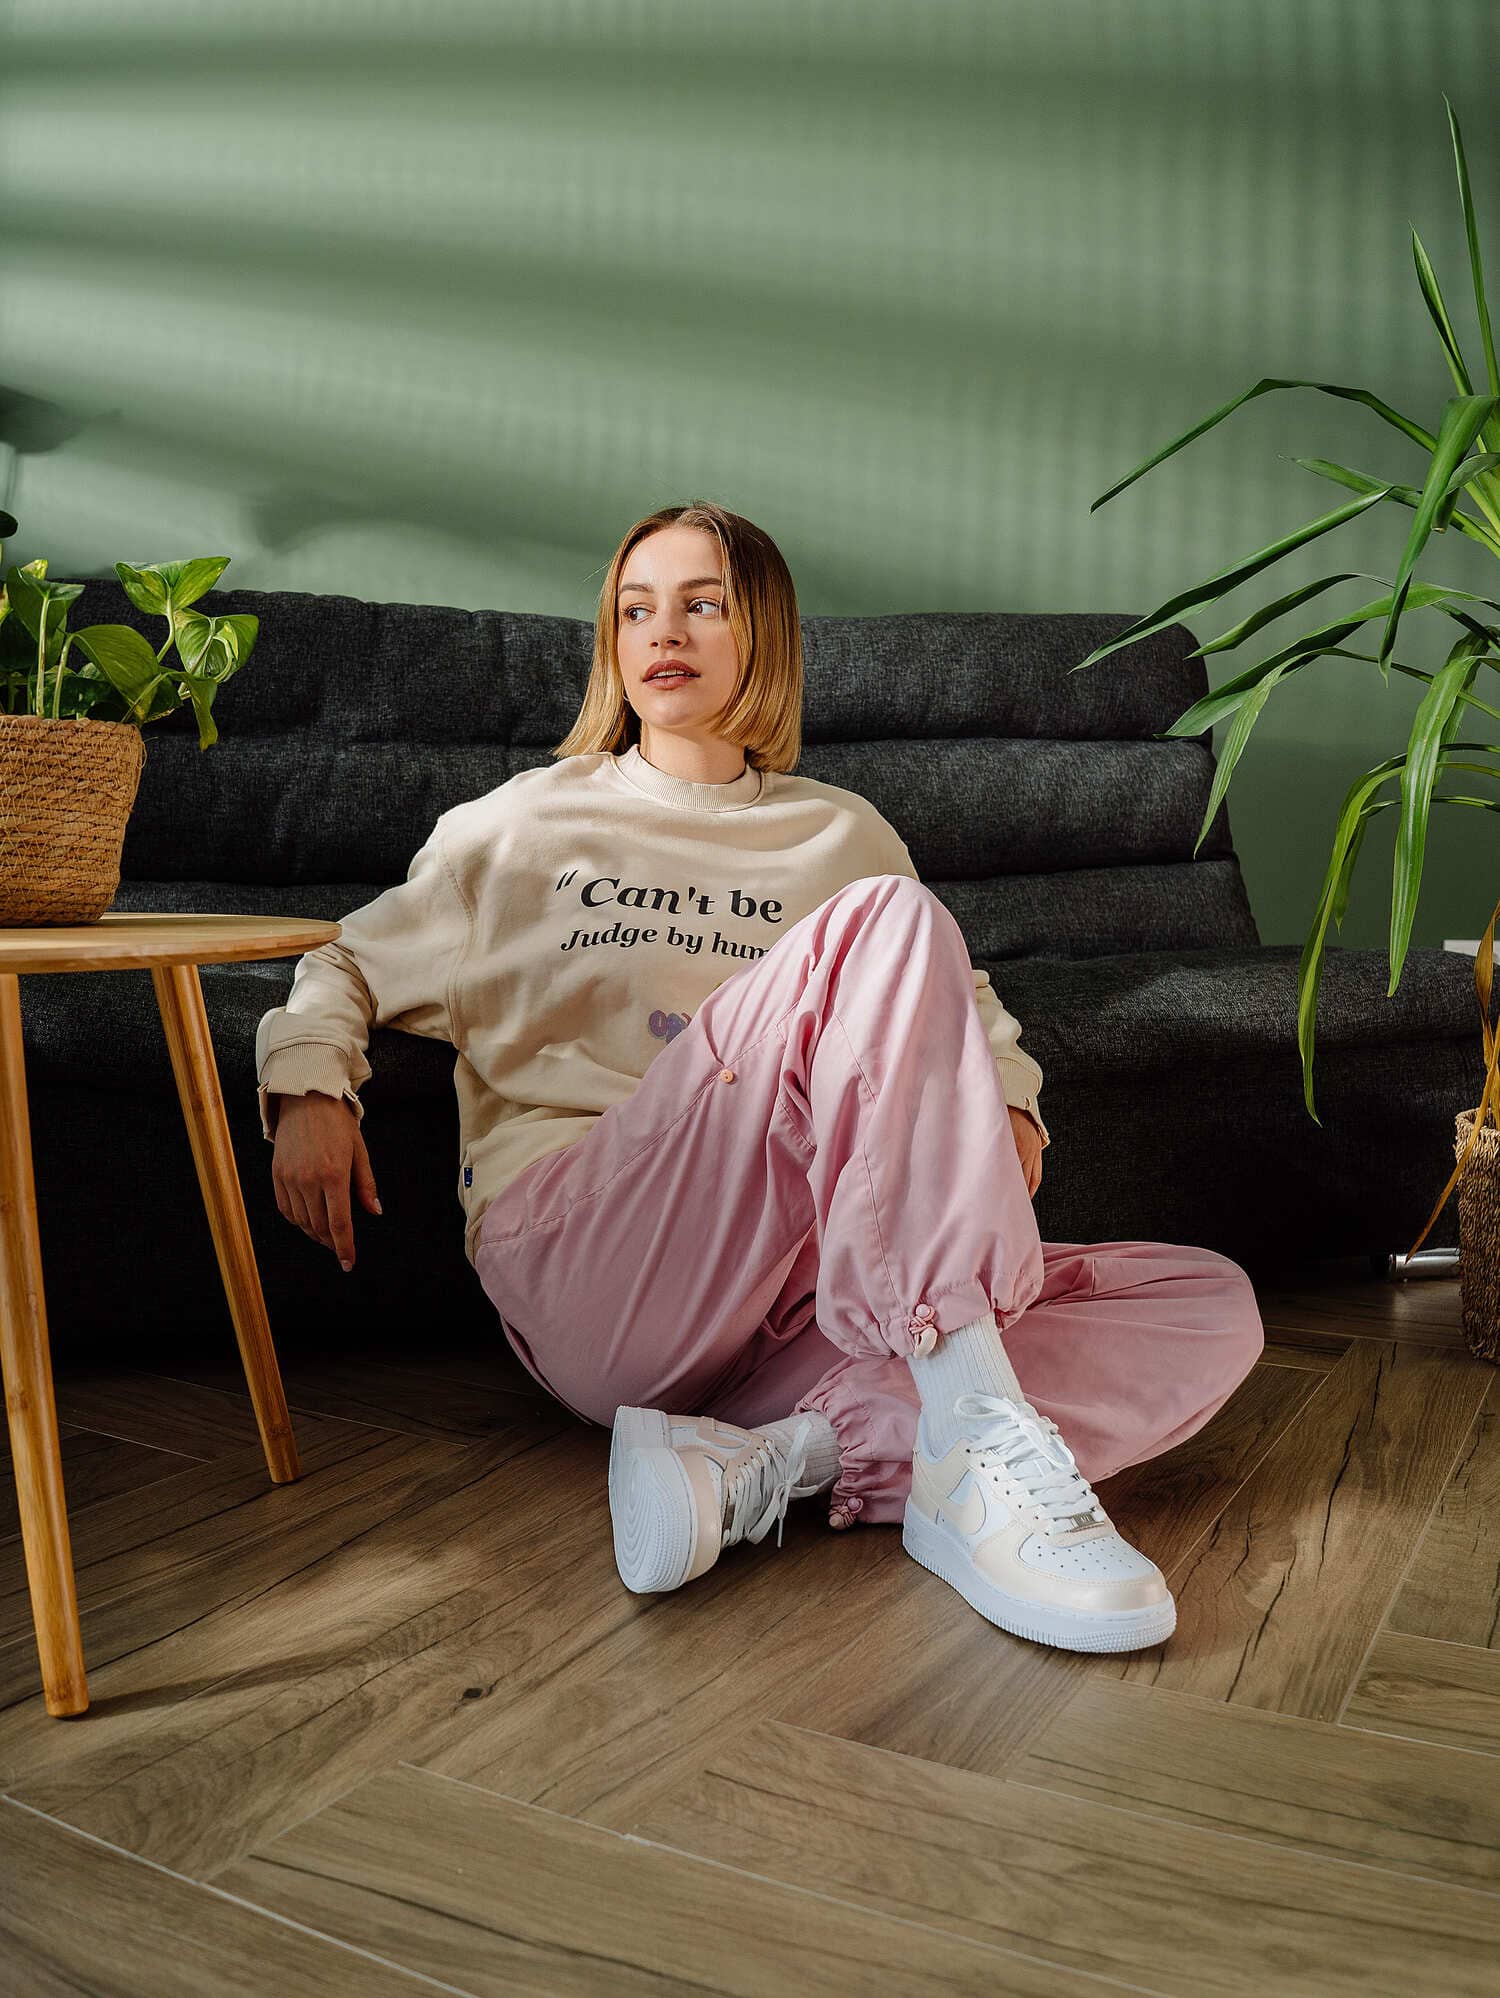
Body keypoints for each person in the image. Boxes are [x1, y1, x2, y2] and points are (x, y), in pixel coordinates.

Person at [259, 499, 1265, 1657]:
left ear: (764, 638)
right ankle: (977, 1441)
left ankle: (781, 1459)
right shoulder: (519, 826)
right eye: (636, 610)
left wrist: (1009, 1100)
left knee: (1205, 1304)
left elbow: (967, 1010)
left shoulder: (841, 833)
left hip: (795, 1298)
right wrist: (310, 1086)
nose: (661, 632)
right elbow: (343, 959)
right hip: (594, 1252)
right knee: (883, 922)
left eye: (701, 605)